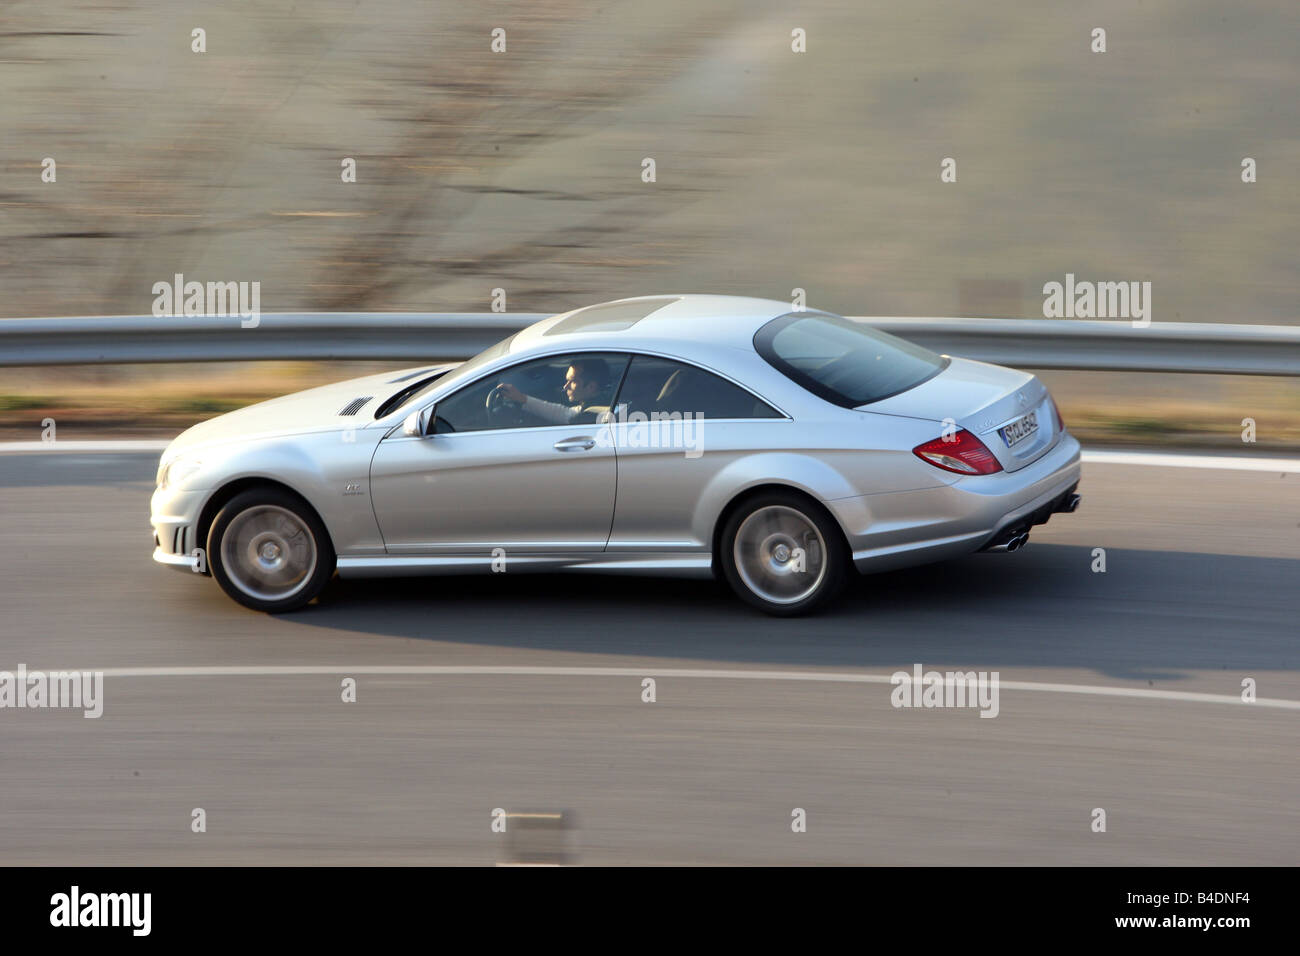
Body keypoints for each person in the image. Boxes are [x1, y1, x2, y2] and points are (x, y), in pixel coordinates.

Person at [496, 358, 612, 425]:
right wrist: (521, 398)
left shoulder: (593, 412)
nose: (566, 387)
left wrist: (522, 399)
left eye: (572, 382)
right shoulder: (604, 402)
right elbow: (565, 412)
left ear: (591, 387)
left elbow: (566, 414)